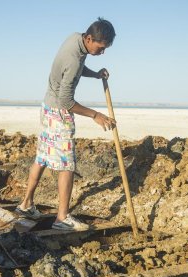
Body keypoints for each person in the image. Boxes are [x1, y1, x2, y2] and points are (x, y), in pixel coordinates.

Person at [15, 18, 117, 231]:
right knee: (67, 164)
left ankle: (25, 205)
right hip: (59, 113)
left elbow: (77, 68)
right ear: (89, 39)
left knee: (42, 157)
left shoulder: (75, 39)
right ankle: (62, 219)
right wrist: (95, 115)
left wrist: (95, 74)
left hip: (47, 107)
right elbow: (66, 101)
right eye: (100, 48)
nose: (102, 53)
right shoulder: (73, 58)